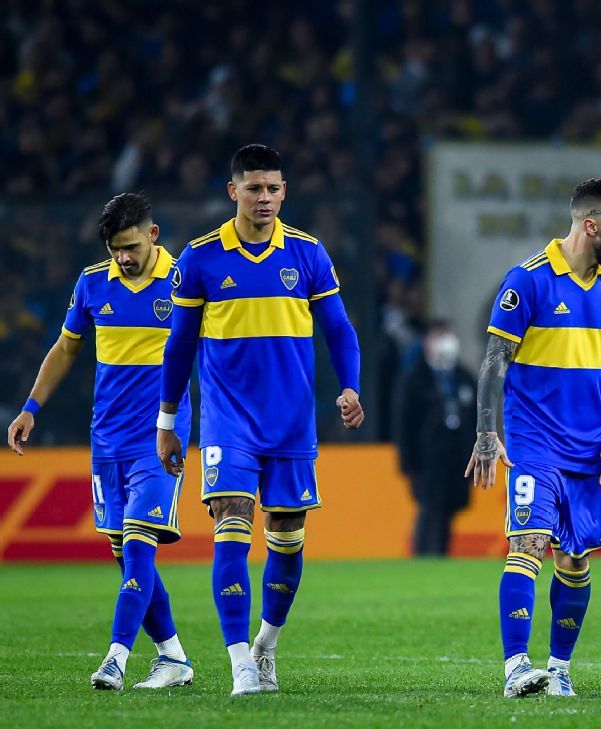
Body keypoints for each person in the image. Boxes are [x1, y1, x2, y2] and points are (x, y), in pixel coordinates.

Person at [157, 144, 364, 695]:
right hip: (229, 423)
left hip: (292, 423)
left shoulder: (308, 253)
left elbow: (339, 330)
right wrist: (167, 419)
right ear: (234, 192)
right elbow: (178, 348)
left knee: (287, 535)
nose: (265, 198)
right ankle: (237, 663)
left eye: (274, 188)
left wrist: (349, 387)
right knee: (231, 524)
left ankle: (265, 645)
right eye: (254, 188)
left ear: (284, 191)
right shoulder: (199, 259)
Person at [6, 193, 195, 691]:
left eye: (131, 246)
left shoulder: (184, 282)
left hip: (160, 436)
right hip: (106, 438)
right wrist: (31, 407)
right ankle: (173, 656)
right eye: (116, 250)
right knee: (126, 553)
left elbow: (217, 349)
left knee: (137, 550)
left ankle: (115, 657)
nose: (124, 258)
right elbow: (67, 348)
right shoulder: (93, 283)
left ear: (153, 235)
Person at [464, 178, 601, 698]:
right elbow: (494, 362)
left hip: (589, 450)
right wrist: (487, 432)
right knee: (529, 545)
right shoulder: (528, 281)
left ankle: (558, 668)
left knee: (575, 560)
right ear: (591, 225)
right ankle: (517, 666)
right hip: (535, 443)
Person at [394, 319, 476, 556]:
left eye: (448, 335)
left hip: (457, 456)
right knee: (429, 508)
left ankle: (441, 553)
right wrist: (407, 462)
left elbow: (475, 419)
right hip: (427, 458)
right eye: (440, 336)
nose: (446, 343)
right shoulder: (414, 378)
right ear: (427, 342)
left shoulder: (463, 377)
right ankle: (422, 553)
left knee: (449, 509)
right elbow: (403, 423)